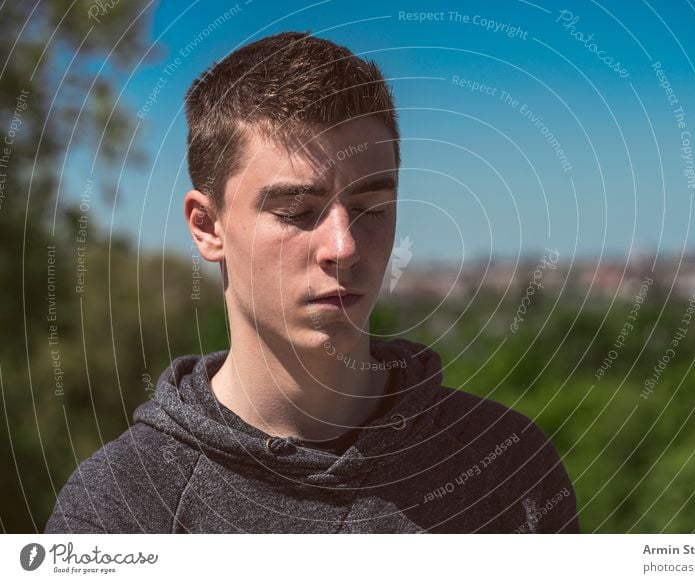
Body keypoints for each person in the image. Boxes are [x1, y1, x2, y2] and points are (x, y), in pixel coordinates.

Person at [45, 31, 579, 534]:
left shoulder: (507, 466)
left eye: (371, 208)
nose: (343, 247)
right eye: (297, 211)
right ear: (208, 228)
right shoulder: (121, 508)